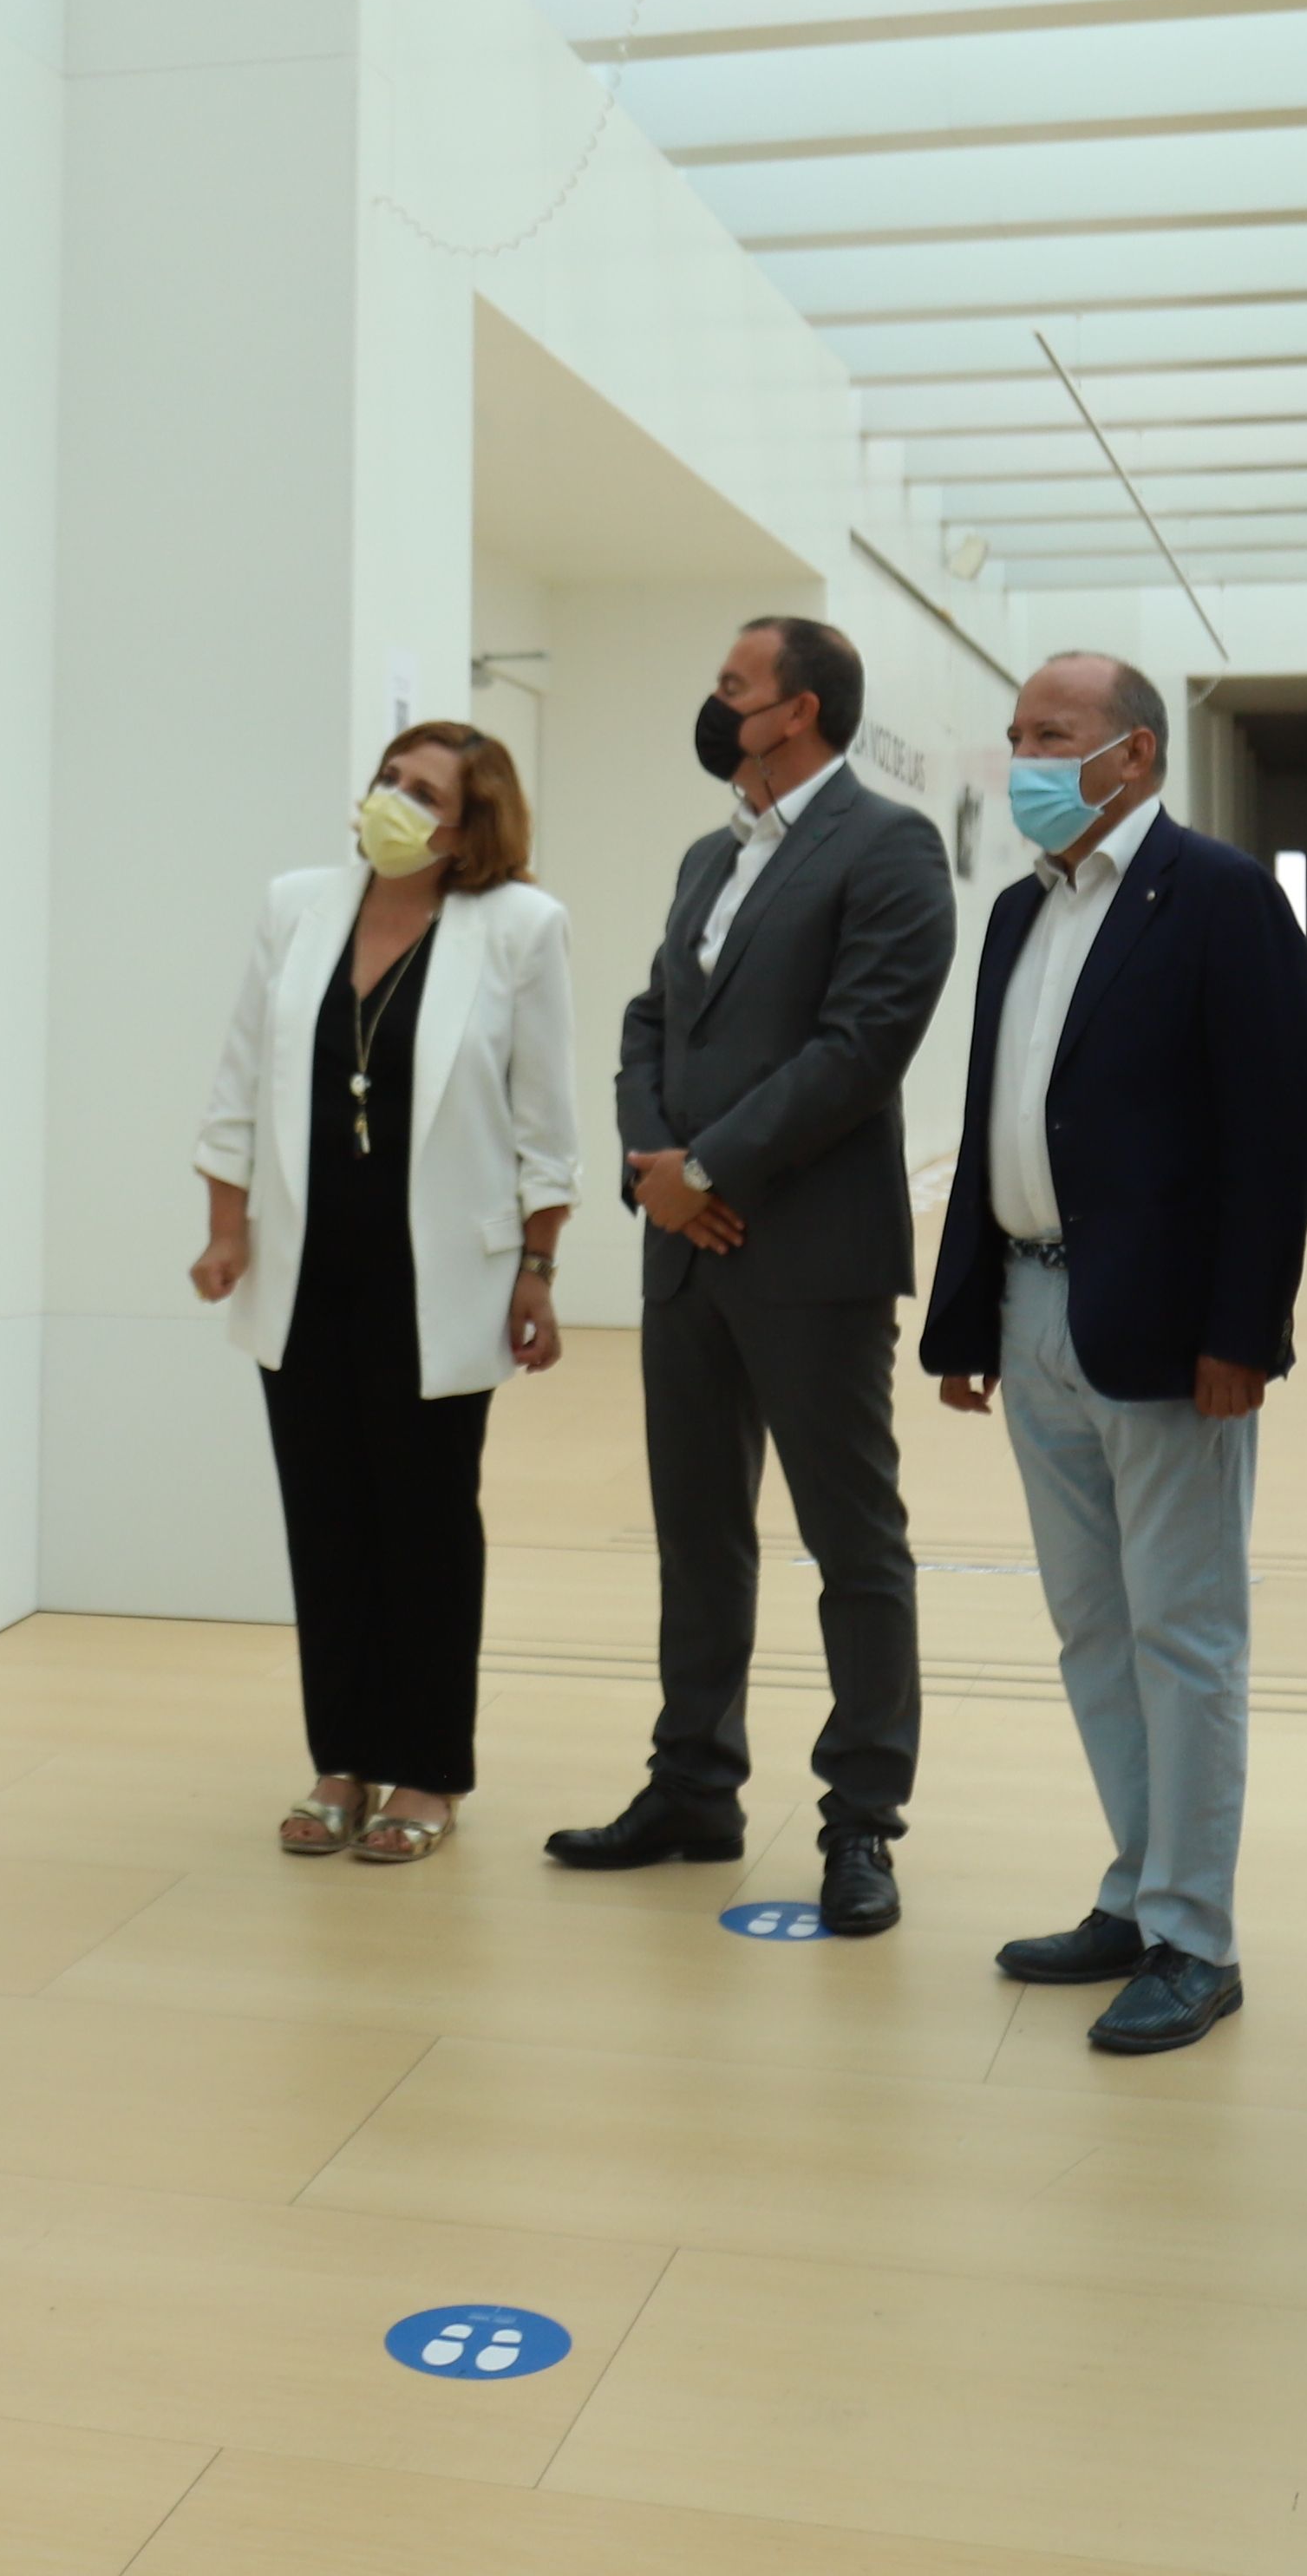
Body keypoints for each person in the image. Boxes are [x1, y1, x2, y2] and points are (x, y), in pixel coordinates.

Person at [919, 656, 1307, 2055]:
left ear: (1134, 756)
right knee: (1093, 1624)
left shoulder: (1219, 898)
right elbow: (996, 1120)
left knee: (1185, 1632)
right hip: (1035, 1314)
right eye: (1018, 733)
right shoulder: (1023, 911)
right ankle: (1137, 1894)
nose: (1024, 754)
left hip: (1164, 1328)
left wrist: (1243, 1334)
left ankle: (1196, 1939)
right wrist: (965, 1315)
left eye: (1052, 734)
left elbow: (1275, 1138)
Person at [552, 618, 959, 1934]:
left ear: (797, 713)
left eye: (733, 685)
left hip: (808, 1253)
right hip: (684, 1248)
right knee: (699, 1534)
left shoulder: (890, 845)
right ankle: (693, 1788)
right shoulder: (707, 854)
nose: (715, 702)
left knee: (854, 1543)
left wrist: (711, 1168)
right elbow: (648, 1021)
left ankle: (860, 1824)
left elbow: (862, 1046)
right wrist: (649, 1164)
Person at [189, 723, 579, 1866]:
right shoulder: (298, 904)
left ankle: (429, 1773)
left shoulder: (519, 930)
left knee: (424, 1527)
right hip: (306, 1274)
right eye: (388, 781)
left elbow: (545, 1126)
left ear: (471, 827)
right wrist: (224, 1232)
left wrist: (541, 1272)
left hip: (441, 1280)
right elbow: (237, 1083)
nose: (391, 803)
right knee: (325, 1521)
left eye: (423, 793)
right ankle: (339, 1761)